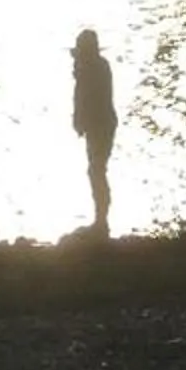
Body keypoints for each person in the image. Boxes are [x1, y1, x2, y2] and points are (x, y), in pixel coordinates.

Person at [70, 28, 116, 232]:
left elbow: (86, 98)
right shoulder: (96, 67)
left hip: (101, 125)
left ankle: (101, 221)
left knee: (96, 170)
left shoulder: (93, 69)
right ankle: (100, 220)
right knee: (96, 170)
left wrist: (80, 120)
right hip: (100, 124)